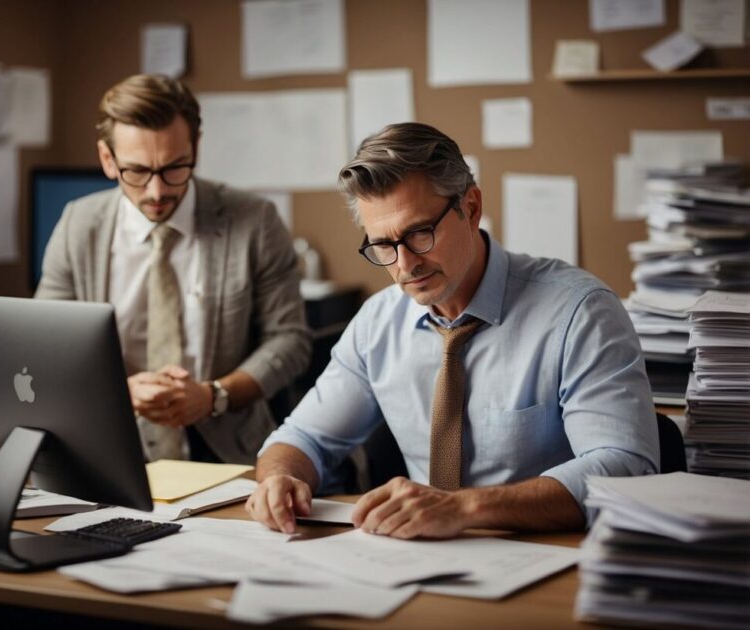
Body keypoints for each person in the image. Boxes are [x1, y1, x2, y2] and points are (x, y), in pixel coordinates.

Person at [247, 122, 659, 537]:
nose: (406, 265)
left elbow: (625, 466)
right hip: (419, 561)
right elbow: (303, 438)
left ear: (472, 207)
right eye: (384, 246)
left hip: (551, 558)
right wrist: (278, 479)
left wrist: (463, 508)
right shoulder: (378, 323)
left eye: (420, 233)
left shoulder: (579, 313)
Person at [36, 74, 311, 465]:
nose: (157, 192)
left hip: (227, 449)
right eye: (137, 172)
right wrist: (115, 390)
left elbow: (290, 340)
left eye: (174, 168)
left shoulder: (254, 220)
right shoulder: (78, 225)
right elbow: (47, 344)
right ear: (107, 159)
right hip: (109, 443)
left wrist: (214, 395)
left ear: (196, 146)